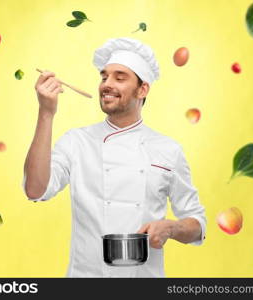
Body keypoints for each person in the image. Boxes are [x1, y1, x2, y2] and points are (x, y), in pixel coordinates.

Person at [22, 37, 206, 277]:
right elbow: (35, 190)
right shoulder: (77, 142)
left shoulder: (168, 149)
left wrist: (171, 228)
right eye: (104, 76)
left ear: (143, 89)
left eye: (119, 78)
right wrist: (46, 112)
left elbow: (196, 223)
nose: (106, 84)